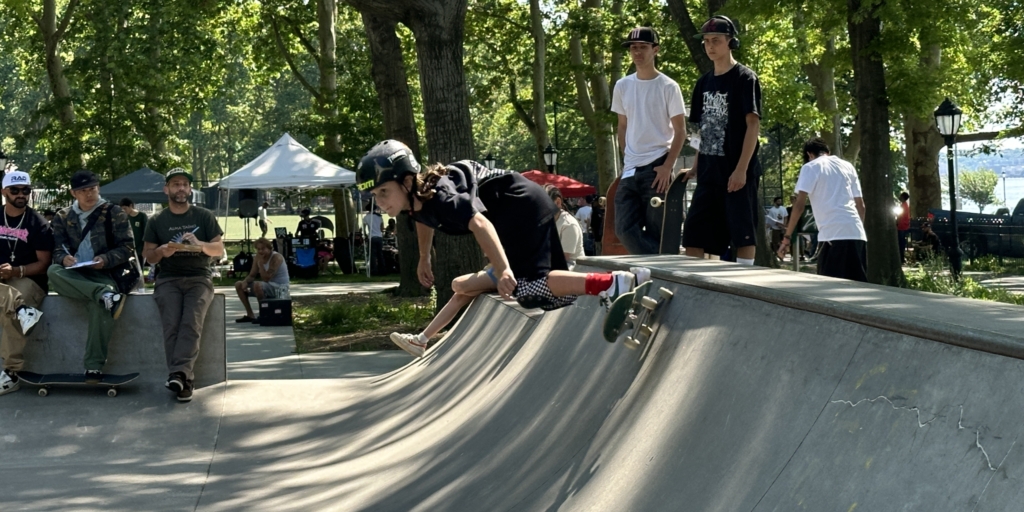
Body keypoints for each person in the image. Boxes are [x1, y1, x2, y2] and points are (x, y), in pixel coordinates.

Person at [356, 140, 650, 358]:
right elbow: (423, 220)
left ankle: (612, 284)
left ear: (408, 181)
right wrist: (424, 258)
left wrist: (504, 268)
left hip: (519, 205)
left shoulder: (443, 198)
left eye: (384, 192)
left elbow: (480, 224)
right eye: (374, 195)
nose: (380, 202)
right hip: (519, 204)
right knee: (538, 288)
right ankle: (620, 282)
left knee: (530, 286)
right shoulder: (418, 201)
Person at [682, 16, 763, 265]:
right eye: (706, 41)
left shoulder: (745, 78)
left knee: (743, 235)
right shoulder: (703, 83)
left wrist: (741, 170)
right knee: (693, 236)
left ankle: (745, 281)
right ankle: (695, 282)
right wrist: (696, 166)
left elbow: (753, 124)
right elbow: (701, 130)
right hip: (709, 173)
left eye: (716, 40)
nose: (710, 46)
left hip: (737, 173)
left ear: (730, 42)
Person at [142, 168, 224, 402]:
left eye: (185, 185)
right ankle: (183, 379)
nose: (181, 188)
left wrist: (200, 244)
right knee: (172, 325)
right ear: (166, 189)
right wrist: (161, 251)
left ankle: (179, 375)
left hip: (199, 278)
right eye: (176, 184)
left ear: (190, 190)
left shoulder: (204, 216)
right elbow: (148, 256)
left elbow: (219, 250)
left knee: (191, 322)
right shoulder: (156, 220)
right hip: (168, 279)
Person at [48, 170, 134, 382]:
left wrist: (105, 259)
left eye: (92, 189)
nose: (89, 194)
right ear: (73, 193)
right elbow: (57, 249)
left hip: (105, 273)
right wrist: (63, 259)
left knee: (102, 306)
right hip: (75, 275)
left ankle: (93, 367)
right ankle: (103, 294)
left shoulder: (114, 212)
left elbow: (127, 247)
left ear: (98, 188)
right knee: (53, 271)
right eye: (83, 191)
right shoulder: (63, 216)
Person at [611, 26, 688, 255]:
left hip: (657, 166)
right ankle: (658, 262)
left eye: (643, 47)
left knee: (659, 231)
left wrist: (667, 166)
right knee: (623, 229)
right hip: (631, 168)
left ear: (655, 50)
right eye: (633, 48)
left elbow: (680, 131)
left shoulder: (668, 86)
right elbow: (622, 126)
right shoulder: (622, 86)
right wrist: (626, 158)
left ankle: (658, 264)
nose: (637, 52)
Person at [777, 138, 867, 282]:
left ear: (809, 154)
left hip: (832, 234)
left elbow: (799, 206)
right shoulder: (848, 166)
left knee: (830, 286)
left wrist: (787, 238)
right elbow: (860, 205)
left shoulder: (810, 167)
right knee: (858, 286)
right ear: (827, 151)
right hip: (857, 233)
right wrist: (856, 229)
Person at [0, 171, 51, 396]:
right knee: (14, 306)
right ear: (4, 191)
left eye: (26, 190)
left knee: (11, 313)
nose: (21, 194)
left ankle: (11, 373)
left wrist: (16, 271)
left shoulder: (37, 223)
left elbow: (43, 264)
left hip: (29, 279)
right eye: (15, 190)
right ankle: (21, 308)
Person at [234, 237, 289, 323]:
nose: (260, 251)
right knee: (239, 284)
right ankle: (250, 315)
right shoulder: (258, 257)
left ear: (269, 248)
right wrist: (245, 282)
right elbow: (252, 275)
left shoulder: (276, 258)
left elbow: (266, 278)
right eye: (258, 249)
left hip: (280, 287)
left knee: (257, 285)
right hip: (268, 285)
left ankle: (264, 314)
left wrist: (261, 264)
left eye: (263, 249)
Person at [546, 186, 585, 270]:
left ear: (558, 202)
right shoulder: (548, 222)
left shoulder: (569, 224)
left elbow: (562, 258)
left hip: (572, 268)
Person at [119, 198, 148, 266]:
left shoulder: (142, 216)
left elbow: (146, 234)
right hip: (128, 250)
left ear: (130, 206)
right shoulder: (124, 218)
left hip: (140, 249)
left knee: (139, 268)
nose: (124, 211)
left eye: (125, 208)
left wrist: (145, 249)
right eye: (122, 209)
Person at [363, 206, 385, 275]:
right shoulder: (379, 217)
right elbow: (382, 228)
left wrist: (365, 235)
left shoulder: (366, 217)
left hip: (371, 237)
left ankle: (374, 270)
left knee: (372, 255)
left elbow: (363, 228)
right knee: (380, 254)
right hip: (379, 237)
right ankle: (382, 270)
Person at [897, 192, 911, 263]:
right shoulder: (905, 205)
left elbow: (900, 216)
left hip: (901, 226)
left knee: (901, 243)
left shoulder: (903, 206)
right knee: (902, 243)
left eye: (900, 196)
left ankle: (901, 258)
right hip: (904, 226)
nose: (899, 197)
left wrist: (896, 223)